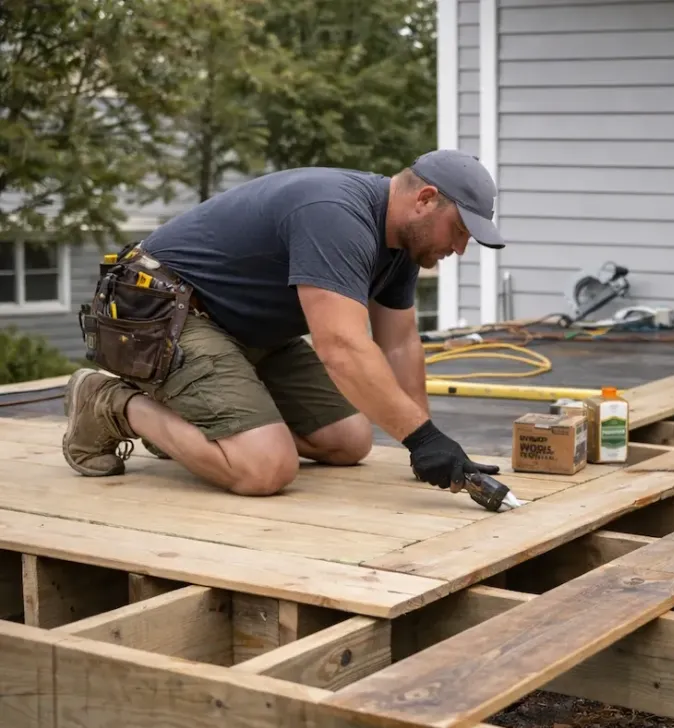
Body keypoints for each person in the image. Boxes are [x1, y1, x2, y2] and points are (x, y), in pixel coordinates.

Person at [62, 148, 503, 497]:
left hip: (243, 328)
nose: (460, 248)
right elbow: (341, 347)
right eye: (460, 230)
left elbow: (400, 344)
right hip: (165, 311)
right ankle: (107, 402)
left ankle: (190, 427)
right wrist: (423, 439)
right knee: (265, 468)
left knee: (350, 441)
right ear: (425, 200)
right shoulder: (337, 215)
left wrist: (425, 445)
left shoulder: (402, 246)